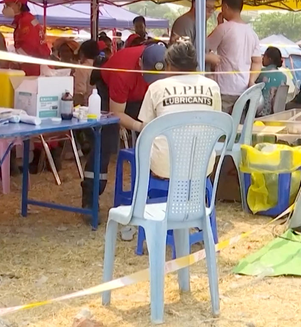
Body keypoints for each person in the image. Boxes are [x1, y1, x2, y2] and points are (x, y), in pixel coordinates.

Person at [78, 40, 162, 218]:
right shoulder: (123, 72)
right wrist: (141, 126)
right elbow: (117, 114)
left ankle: (152, 194)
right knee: (106, 142)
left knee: (154, 140)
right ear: (140, 63)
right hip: (112, 92)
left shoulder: (166, 63)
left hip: (140, 95)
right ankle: (90, 196)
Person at [137, 39, 221, 179]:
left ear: (168, 65)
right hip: (203, 167)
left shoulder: (156, 88)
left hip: (163, 168)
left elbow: (147, 131)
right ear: (195, 65)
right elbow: (215, 124)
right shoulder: (212, 87)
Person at [206, 0, 262, 113]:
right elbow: (257, 62)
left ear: (225, 6)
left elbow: (205, 47)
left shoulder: (223, 29)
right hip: (243, 90)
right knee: (238, 127)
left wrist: (219, 25)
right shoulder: (252, 33)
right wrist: (251, 81)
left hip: (224, 88)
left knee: (222, 126)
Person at [2, 0, 50, 76]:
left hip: (34, 67)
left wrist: (15, 61)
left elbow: (29, 47)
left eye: (8, 5)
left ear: (19, 5)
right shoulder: (26, 19)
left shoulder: (25, 21)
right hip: (35, 64)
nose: (5, 8)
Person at [255, 47, 287, 117]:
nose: (262, 58)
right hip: (276, 113)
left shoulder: (260, 73)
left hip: (261, 112)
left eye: (264, 56)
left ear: (269, 59)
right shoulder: (283, 76)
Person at [73, 40, 98, 106]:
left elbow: (79, 94)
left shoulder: (81, 69)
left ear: (82, 53)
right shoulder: (101, 66)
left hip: (86, 108)